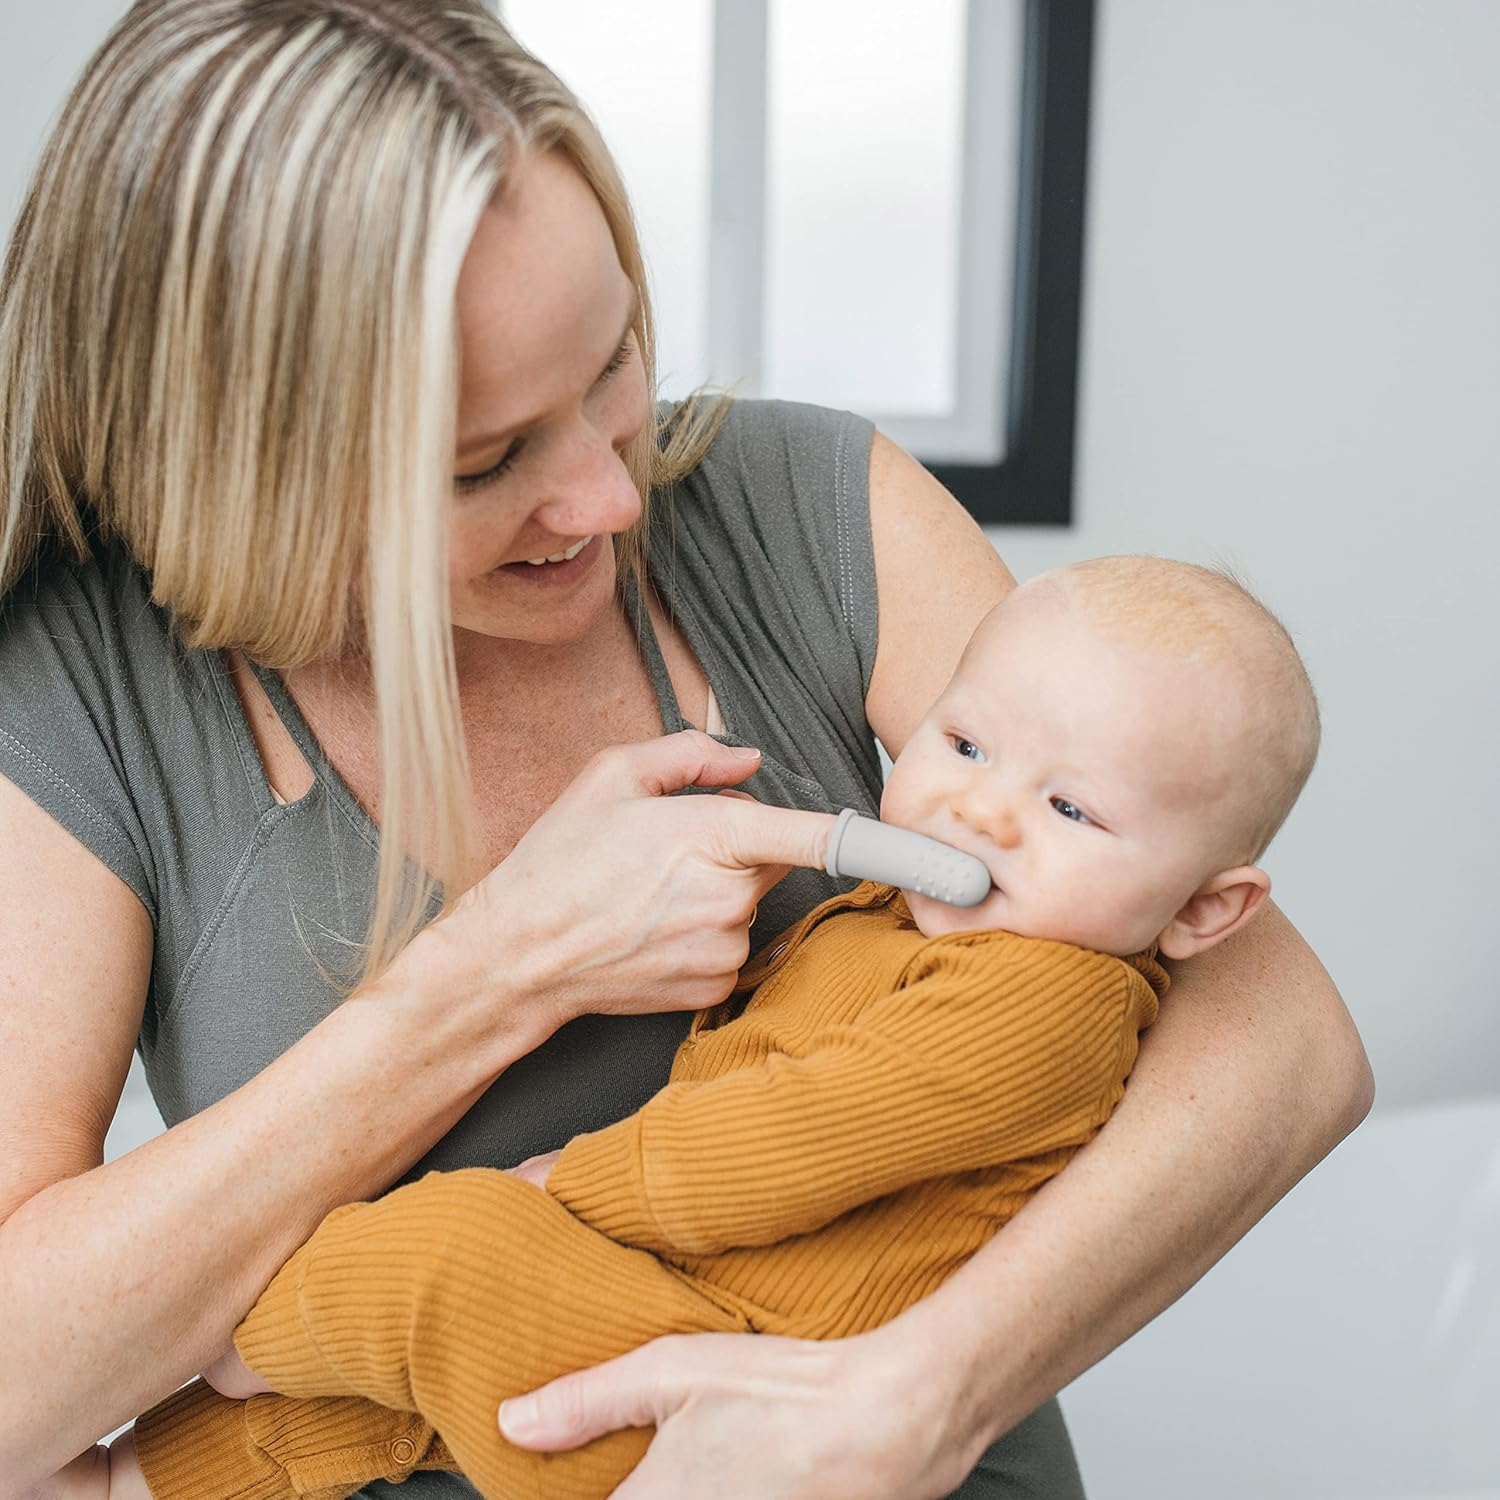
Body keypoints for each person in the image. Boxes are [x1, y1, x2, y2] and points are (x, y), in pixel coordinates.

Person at [0, 6, 1371, 1500]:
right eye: (485, 461)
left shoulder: (804, 500)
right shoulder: (83, 687)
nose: (607, 493)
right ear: (232, 461)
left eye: (614, 365)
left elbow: (1282, 1041)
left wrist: (915, 1399)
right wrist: (502, 969)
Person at [61, 554, 1321, 1500]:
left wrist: (568, 1186)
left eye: (1069, 809)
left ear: (1209, 911)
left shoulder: (1050, 1003)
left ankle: (245, 1341)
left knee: (457, 1250)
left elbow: (792, 1141)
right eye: (967, 742)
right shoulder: (882, 918)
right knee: (412, 1401)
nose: (980, 815)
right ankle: (158, 1476)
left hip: (730, 1390)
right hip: (655, 1323)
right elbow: (748, 1048)